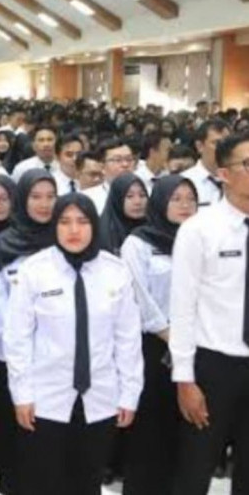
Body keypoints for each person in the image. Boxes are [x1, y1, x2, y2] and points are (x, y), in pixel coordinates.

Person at [5, 192, 143, 495]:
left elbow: (128, 339)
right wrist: (22, 393)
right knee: (43, 481)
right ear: (54, 225)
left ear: (94, 224)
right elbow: (17, 339)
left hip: (102, 395)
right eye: (65, 222)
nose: (74, 230)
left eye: (82, 221)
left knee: (87, 479)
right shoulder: (35, 270)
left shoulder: (115, 271)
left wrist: (130, 393)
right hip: (45, 396)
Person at [170, 133, 249, 494]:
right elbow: (182, 308)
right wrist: (185, 379)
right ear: (224, 174)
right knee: (195, 468)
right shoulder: (199, 229)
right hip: (214, 366)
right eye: (247, 164)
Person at [120, 175, 198, 495]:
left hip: (196, 344)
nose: (184, 205)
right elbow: (138, 296)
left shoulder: (201, 239)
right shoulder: (138, 243)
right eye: (176, 199)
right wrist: (170, 335)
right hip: (154, 346)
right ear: (160, 202)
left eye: (190, 199)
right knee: (152, 427)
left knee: (189, 429)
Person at [0, 168, 57, 489]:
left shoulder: (65, 240)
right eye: (35, 196)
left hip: (57, 360)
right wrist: (20, 341)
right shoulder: (3, 245)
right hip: (12, 358)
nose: (44, 204)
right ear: (21, 200)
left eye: (50, 196)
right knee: (16, 441)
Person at [181, 119, 230, 209]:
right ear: (200, 146)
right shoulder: (184, 181)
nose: (224, 148)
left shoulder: (240, 179)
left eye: (228, 143)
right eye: (217, 143)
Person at [98, 173, 149, 256]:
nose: (138, 202)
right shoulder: (103, 233)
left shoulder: (154, 229)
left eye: (142, 195)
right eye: (130, 196)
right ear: (117, 199)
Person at [83, 139, 138, 214]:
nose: (125, 164)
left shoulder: (146, 194)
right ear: (102, 166)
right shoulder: (88, 198)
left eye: (129, 159)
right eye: (118, 160)